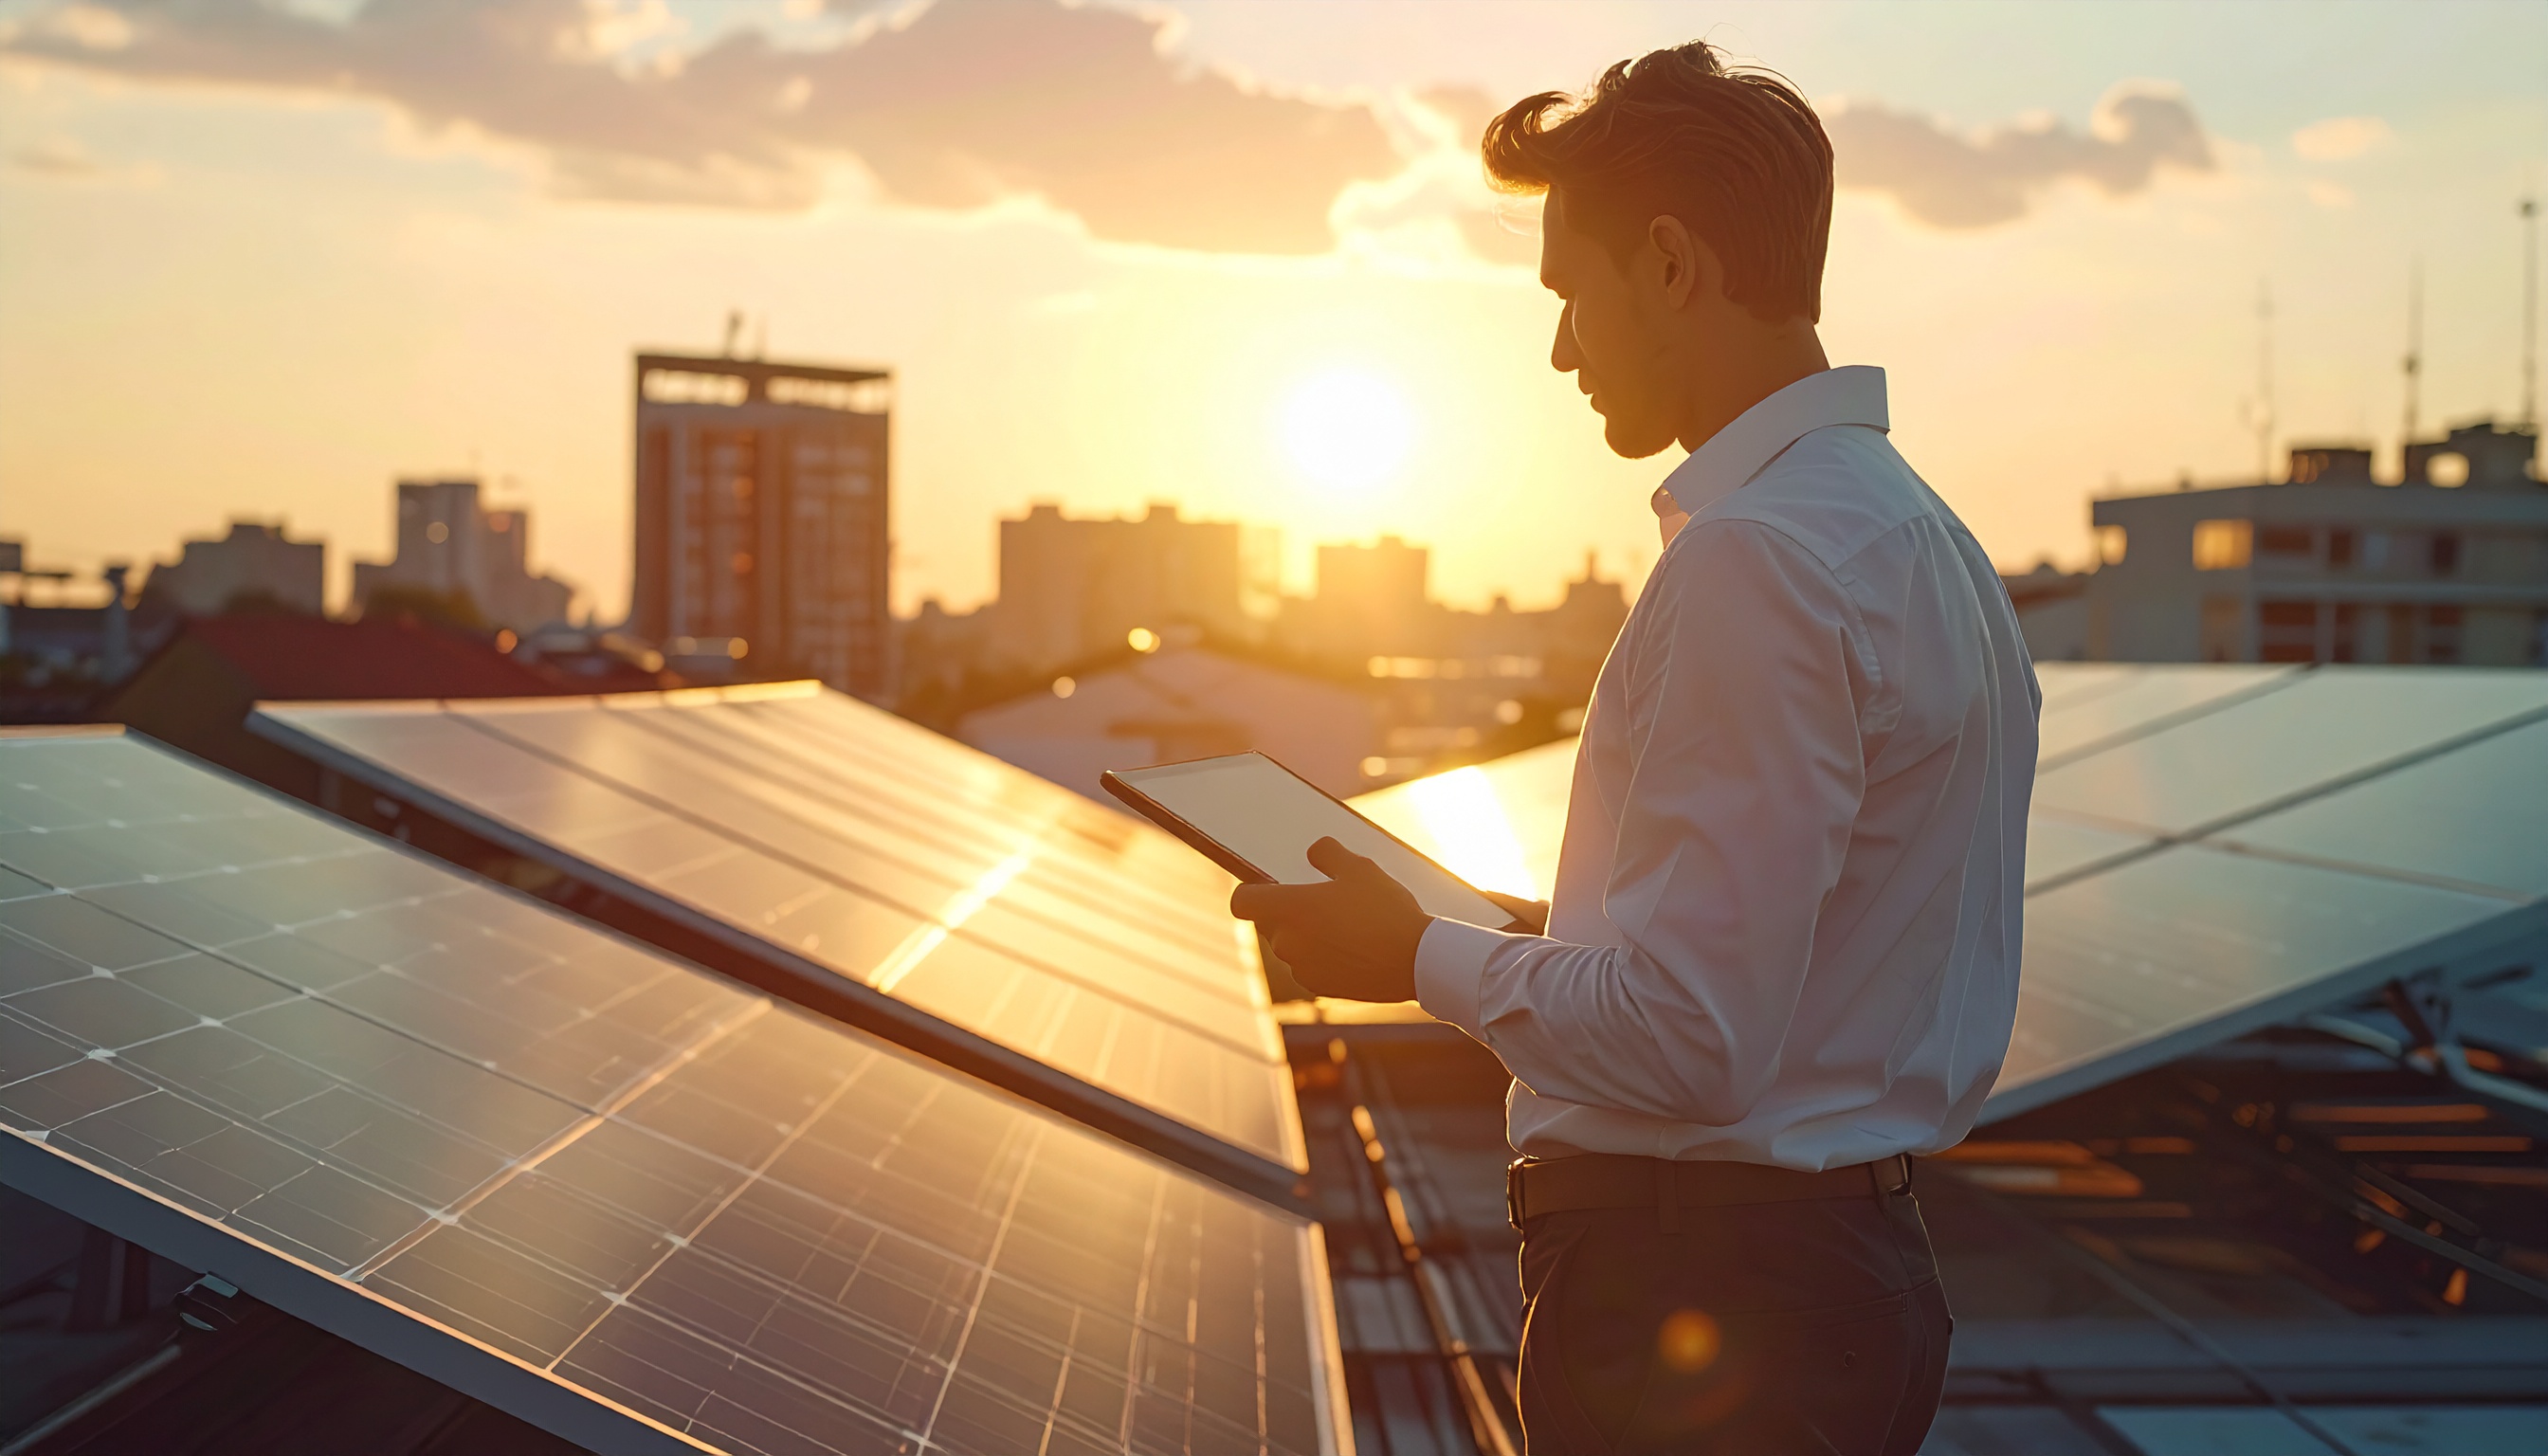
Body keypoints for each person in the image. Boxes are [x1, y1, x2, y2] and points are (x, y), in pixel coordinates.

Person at [1230, 41, 2039, 1456]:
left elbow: (1693, 1043)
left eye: (1567, 294)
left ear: (1667, 265)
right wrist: (1538, 935)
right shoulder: (1922, 539)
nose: (1558, 349)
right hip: (1829, 1289)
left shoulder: (1757, 560)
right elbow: (1789, 960)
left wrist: (1414, 957)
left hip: (1708, 1317)